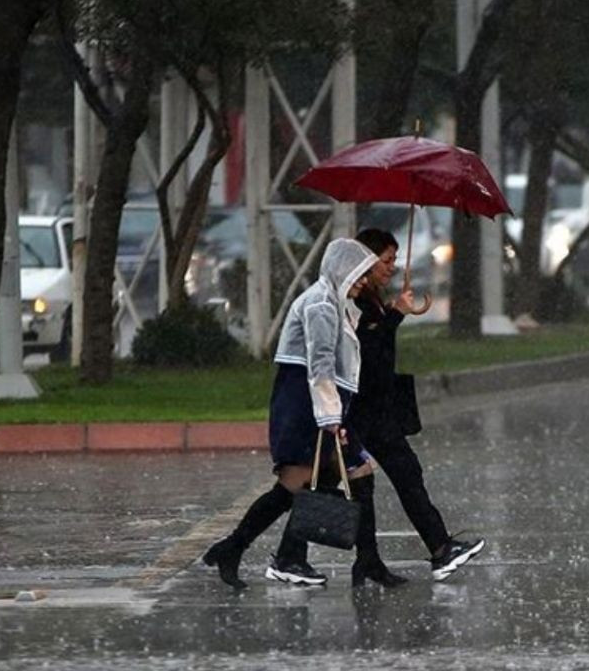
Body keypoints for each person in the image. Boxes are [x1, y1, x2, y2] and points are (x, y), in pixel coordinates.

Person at [202, 238, 380, 590]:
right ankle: (247, 550)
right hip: (305, 406)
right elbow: (320, 365)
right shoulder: (321, 305)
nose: (364, 281)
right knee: (296, 485)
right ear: (342, 270)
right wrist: (331, 419)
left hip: (317, 404)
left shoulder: (336, 303)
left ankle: (283, 556)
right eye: (360, 274)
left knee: (326, 479)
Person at [352, 227, 484, 582]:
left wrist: (395, 312)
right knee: (316, 484)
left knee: (385, 480)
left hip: (375, 407)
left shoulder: (371, 298)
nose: (392, 267)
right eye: (386, 260)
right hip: (364, 409)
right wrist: (394, 315)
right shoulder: (357, 300)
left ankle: (375, 560)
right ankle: (437, 549)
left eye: (395, 259)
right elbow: (368, 353)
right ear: (365, 260)